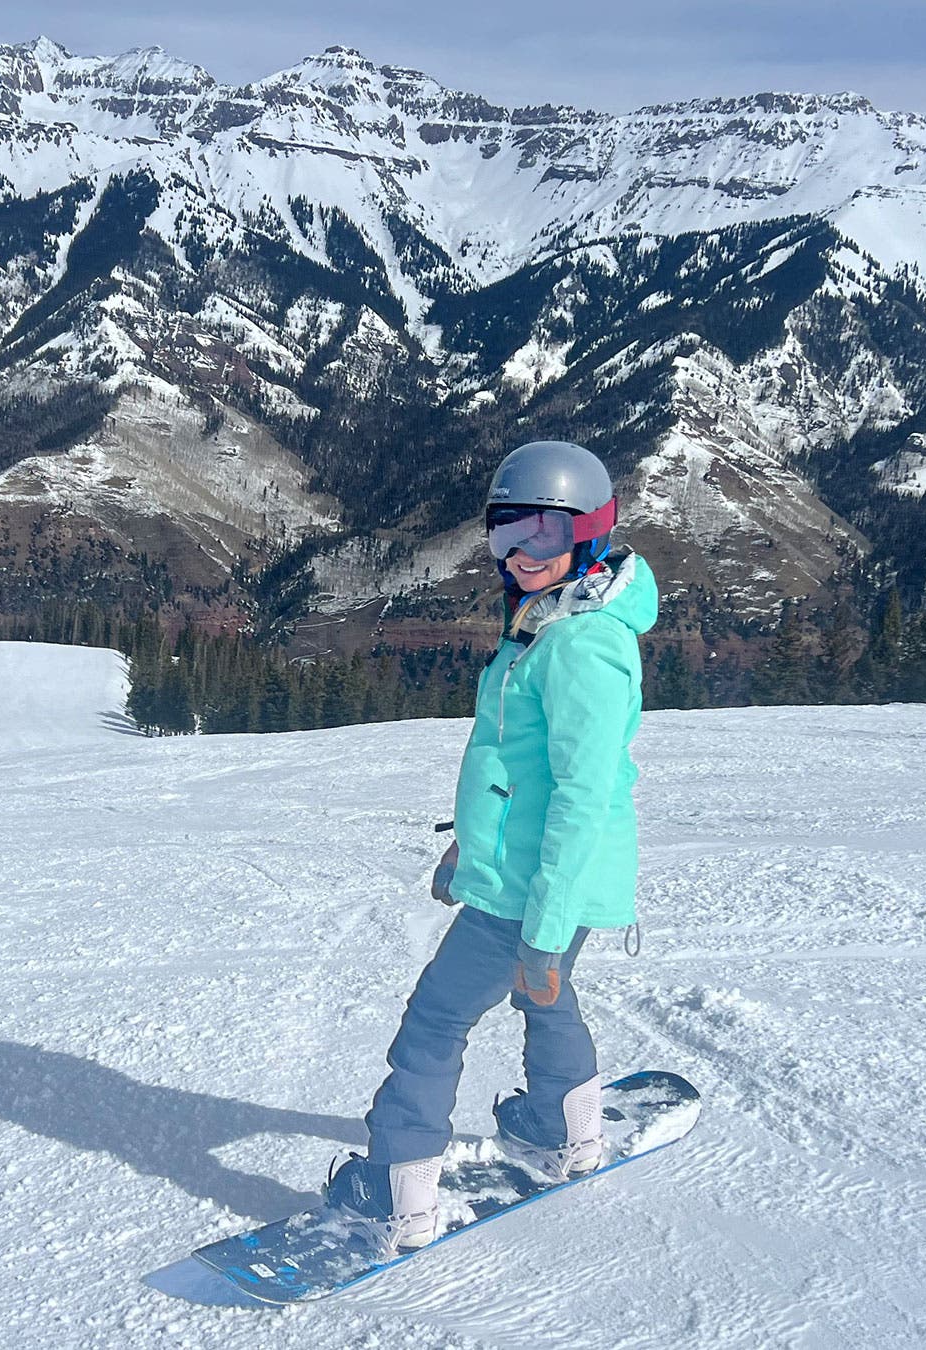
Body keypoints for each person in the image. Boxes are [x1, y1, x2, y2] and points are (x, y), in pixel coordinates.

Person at [322, 439, 658, 1253]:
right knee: (545, 995)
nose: (519, 554)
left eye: (540, 533)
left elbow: (580, 798)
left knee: (435, 1024)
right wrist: (467, 854)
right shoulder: (550, 624)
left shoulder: (582, 646)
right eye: (504, 535)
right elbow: (518, 776)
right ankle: (561, 1128)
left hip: (538, 892)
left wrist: (543, 926)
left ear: (590, 532)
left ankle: (396, 1193)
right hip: (529, 881)